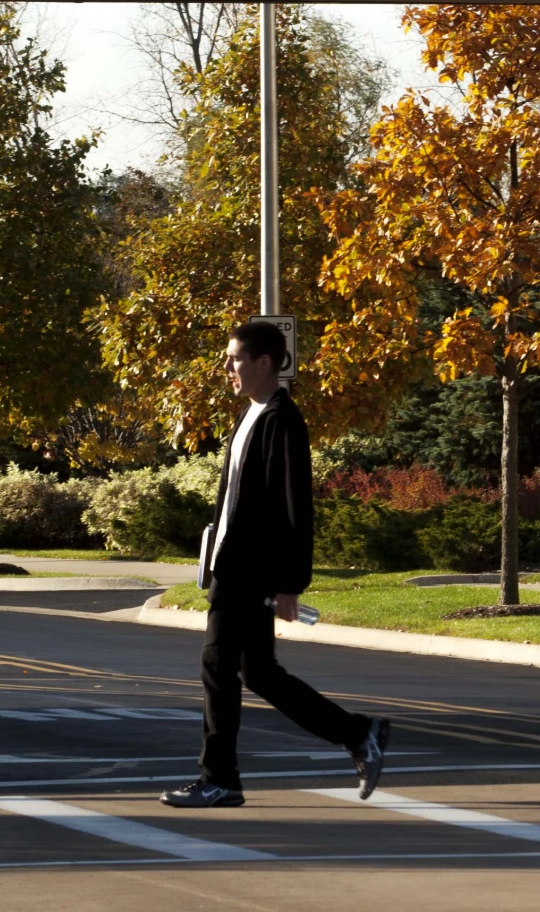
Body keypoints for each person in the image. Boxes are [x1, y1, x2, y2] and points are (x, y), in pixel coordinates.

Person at [160, 320, 389, 809]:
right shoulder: (250, 415)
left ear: (265, 363)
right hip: (231, 565)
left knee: (217, 666)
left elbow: (293, 507)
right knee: (258, 673)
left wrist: (290, 582)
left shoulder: (282, 419)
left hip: (250, 570)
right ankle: (357, 734)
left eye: (235, 359)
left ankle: (219, 779)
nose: (227, 368)